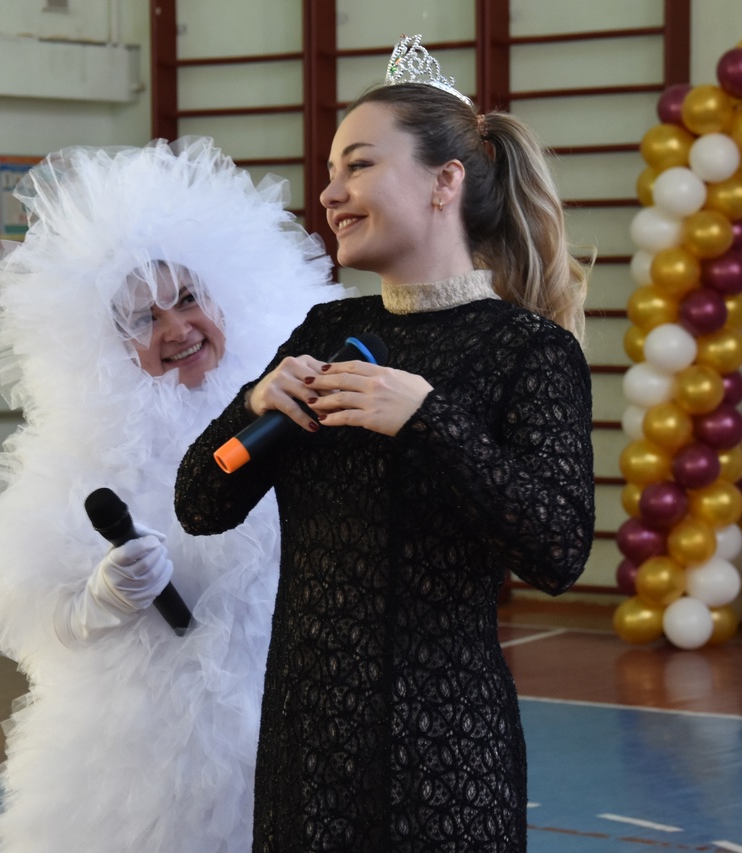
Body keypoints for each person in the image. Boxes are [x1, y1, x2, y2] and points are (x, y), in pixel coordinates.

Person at [175, 35, 595, 852]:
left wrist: (428, 419)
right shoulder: (327, 330)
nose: (330, 193)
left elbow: (558, 549)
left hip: (444, 747)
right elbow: (201, 501)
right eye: (331, 172)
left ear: (445, 181)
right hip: (307, 747)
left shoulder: (527, 350)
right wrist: (250, 407)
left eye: (359, 166)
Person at [0, 139, 337, 853]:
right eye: (143, 319)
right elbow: (39, 620)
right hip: (147, 753)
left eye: (187, 300)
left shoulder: (293, 409)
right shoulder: (77, 452)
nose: (177, 329)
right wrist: (103, 596)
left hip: (294, 709)